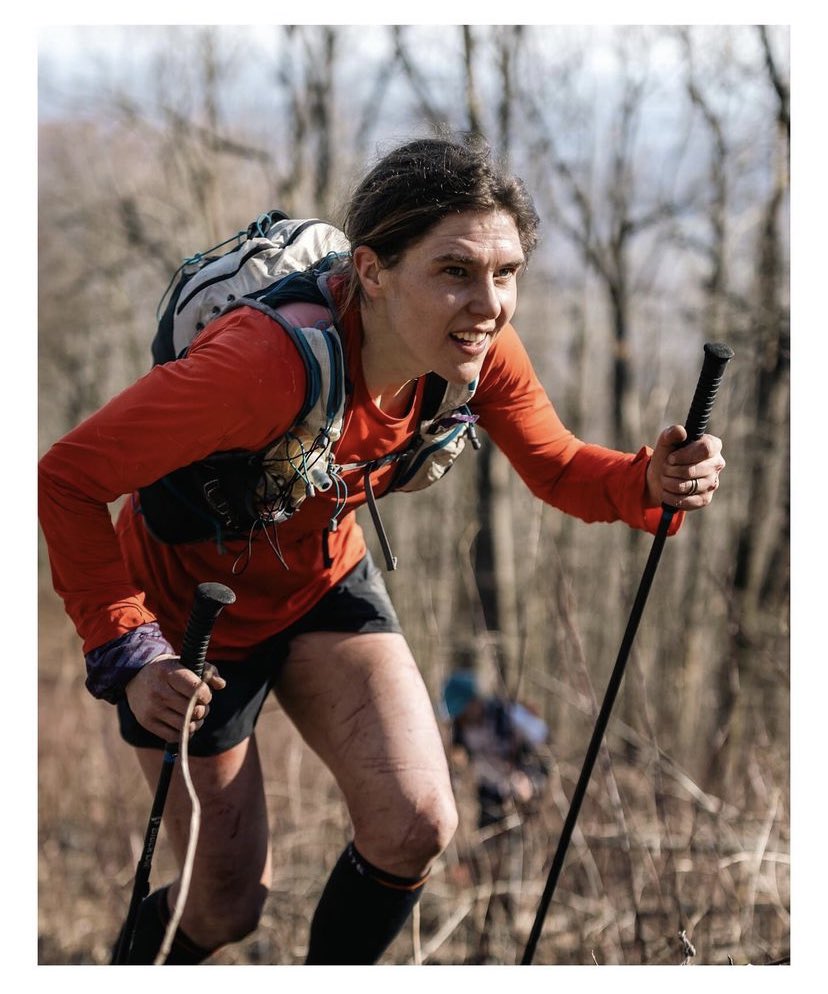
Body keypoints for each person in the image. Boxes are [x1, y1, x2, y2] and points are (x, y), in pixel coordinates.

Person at [38, 133, 726, 966]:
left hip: (323, 582)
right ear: (372, 271)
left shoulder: (475, 353)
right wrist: (130, 649)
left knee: (418, 824)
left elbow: (557, 466)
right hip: (190, 618)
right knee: (222, 905)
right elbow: (68, 477)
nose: (489, 303)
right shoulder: (260, 368)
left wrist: (648, 481)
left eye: (506, 273)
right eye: (455, 271)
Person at [442, 670, 549, 831]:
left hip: (519, 795)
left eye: (463, 710)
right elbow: (458, 762)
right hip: (488, 795)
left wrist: (530, 782)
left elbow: (545, 752)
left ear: (474, 701)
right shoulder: (459, 730)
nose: (460, 717)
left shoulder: (507, 715)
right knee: (488, 839)